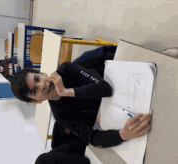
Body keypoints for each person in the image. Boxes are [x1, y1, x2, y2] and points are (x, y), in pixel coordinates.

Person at [10, 46, 152, 150]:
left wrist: (66, 91)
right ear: (37, 101)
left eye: (37, 78)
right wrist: (123, 134)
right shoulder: (60, 115)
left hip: (123, 78)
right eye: (35, 91)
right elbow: (93, 138)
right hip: (120, 104)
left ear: (42, 72)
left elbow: (105, 89)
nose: (42, 85)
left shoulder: (66, 70)